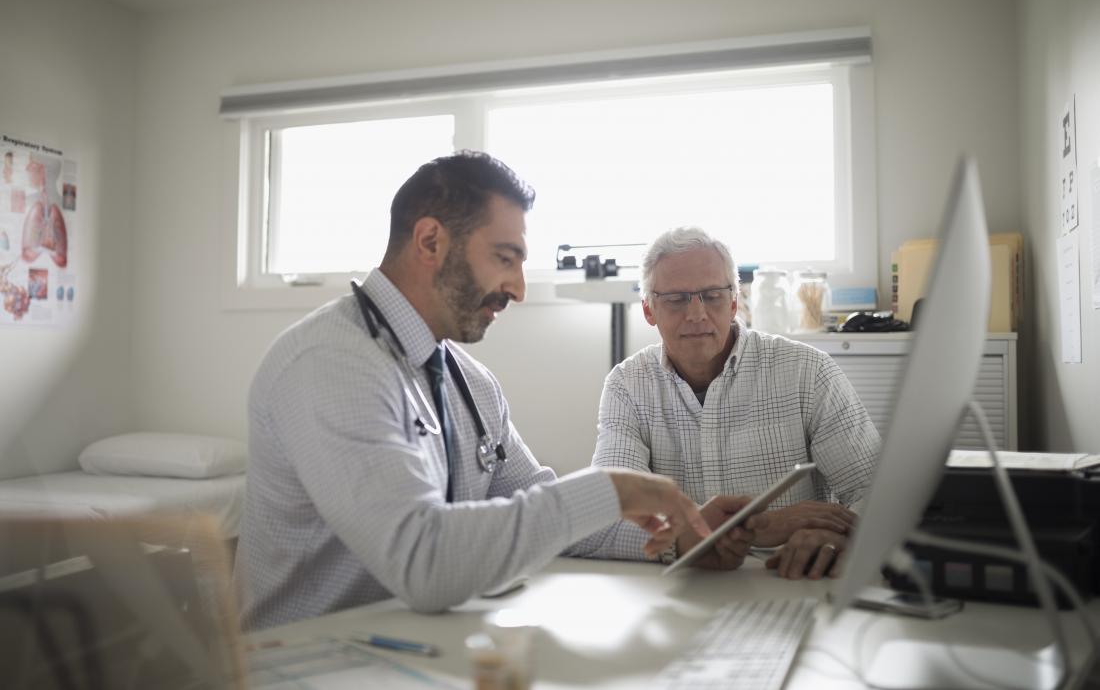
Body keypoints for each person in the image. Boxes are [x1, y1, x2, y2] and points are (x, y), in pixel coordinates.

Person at [235, 153, 718, 630]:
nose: (519, 288)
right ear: (430, 241)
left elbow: (543, 510)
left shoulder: (470, 383)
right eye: (504, 258)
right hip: (305, 665)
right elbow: (423, 562)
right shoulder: (330, 364)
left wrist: (684, 534)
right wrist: (608, 489)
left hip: (415, 650)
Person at [586, 226, 880, 580]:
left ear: (735, 302)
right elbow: (608, 512)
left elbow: (876, 493)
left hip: (791, 582)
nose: (696, 315)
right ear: (649, 309)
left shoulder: (808, 372)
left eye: (712, 295)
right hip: (681, 589)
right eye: (677, 299)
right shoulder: (627, 387)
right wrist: (760, 525)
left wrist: (847, 537)